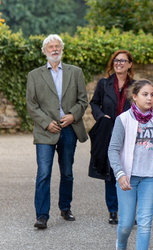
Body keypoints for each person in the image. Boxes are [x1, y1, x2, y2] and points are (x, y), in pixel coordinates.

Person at [26, 34, 88, 229]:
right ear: (44, 51)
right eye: (50, 47)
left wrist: (72, 116)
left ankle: (65, 207)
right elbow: (31, 104)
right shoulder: (34, 75)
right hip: (45, 131)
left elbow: (83, 100)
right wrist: (46, 123)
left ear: (62, 50)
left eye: (57, 46)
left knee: (67, 172)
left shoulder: (75, 72)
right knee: (44, 173)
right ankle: (42, 216)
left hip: (68, 129)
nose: (54, 49)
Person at [108, 80, 153, 250]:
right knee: (125, 224)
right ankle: (121, 246)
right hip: (128, 178)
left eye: (152, 94)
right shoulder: (123, 120)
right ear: (134, 96)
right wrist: (120, 173)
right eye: (145, 94)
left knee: (145, 223)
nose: (150, 98)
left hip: (149, 178)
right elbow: (113, 149)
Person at [89, 50, 135, 225]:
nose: (119, 63)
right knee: (110, 171)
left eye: (123, 61)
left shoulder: (136, 86)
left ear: (130, 64)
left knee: (129, 171)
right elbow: (94, 103)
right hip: (108, 132)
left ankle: (128, 211)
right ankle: (113, 211)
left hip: (129, 133)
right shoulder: (104, 84)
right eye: (116, 60)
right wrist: (101, 116)